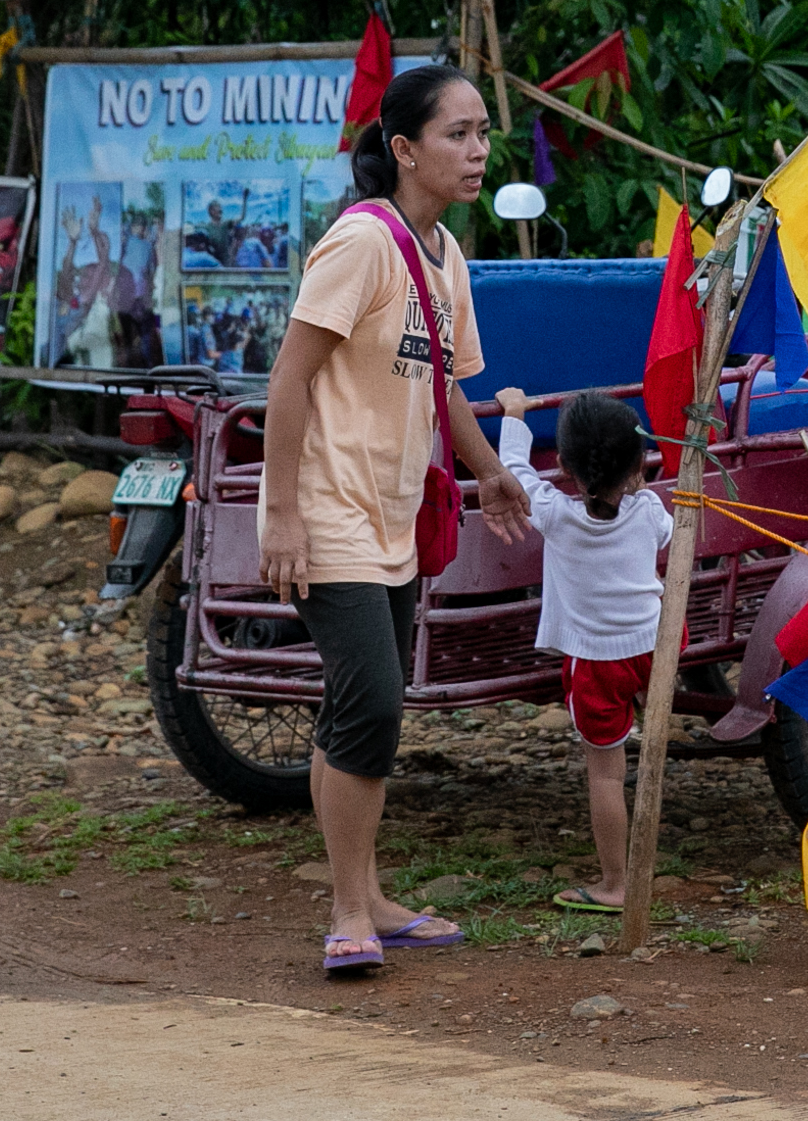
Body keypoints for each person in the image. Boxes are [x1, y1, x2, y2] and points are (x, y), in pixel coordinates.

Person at [259, 63, 534, 978]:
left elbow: (443, 383)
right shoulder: (361, 244)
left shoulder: (446, 255)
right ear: (404, 149)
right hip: (330, 515)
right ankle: (347, 913)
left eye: (483, 132)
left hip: (396, 517)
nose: (478, 150)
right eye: (458, 134)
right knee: (372, 705)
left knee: (359, 708)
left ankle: (367, 891)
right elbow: (289, 378)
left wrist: (489, 470)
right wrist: (282, 516)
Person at [490, 386, 671, 917]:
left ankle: (616, 882)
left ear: (565, 465)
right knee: (630, 731)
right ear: (639, 462)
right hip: (656, 645)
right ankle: (651, 708)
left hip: (597, 661)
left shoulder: (552, 511)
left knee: (606, 773)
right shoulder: (651, 510)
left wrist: (516, 413)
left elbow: (514, 469)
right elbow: (663, 538)